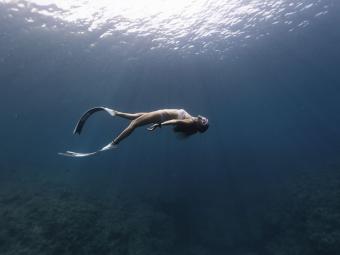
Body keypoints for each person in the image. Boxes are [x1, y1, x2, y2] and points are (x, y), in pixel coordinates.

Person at [59, 107, 209, 157]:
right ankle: (115, 113)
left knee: (134, 123)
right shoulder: (193, 121)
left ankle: (114, 143)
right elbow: (177, 121)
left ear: (198, 124)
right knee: (135, 116)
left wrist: (160, 125)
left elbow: (175, 121)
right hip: (159, 114)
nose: (200, 117)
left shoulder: (189, 122)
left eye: (200, 120)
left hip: (161, 116)